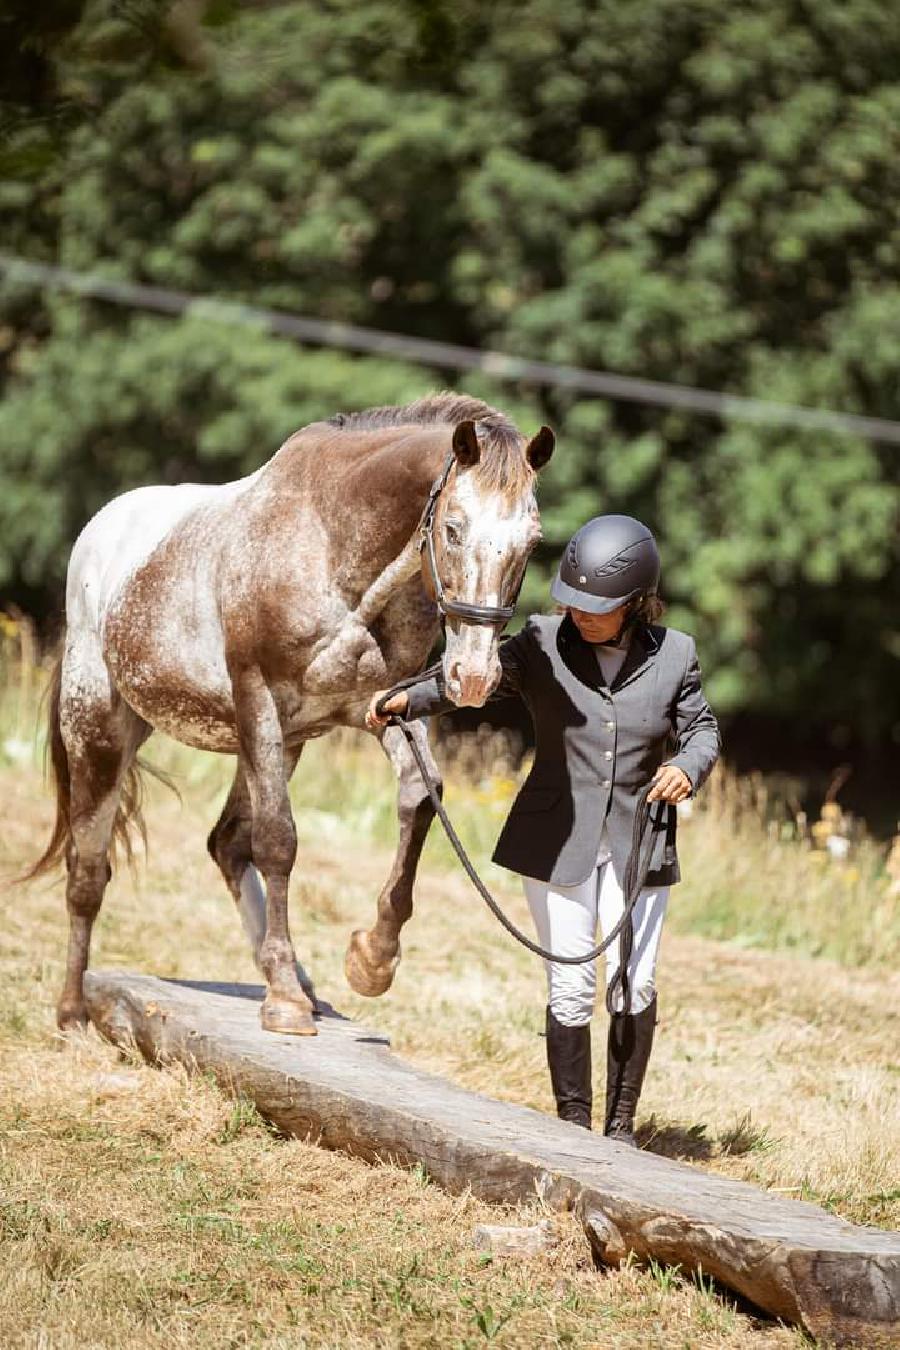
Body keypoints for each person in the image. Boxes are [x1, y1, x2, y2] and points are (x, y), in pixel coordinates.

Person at [366, 515, 720, 1144]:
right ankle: (574, 1132)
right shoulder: (540, 642)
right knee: (572, 982)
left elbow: (703, 733)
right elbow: (470, 680)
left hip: (641, 840)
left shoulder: (677, 655)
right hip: (556, 837)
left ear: (637, 602)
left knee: (633, 979)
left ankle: (621, 1128)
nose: (581, 615)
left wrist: (684, 768)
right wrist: (407, 698)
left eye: (598, 607)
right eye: (573, 602)